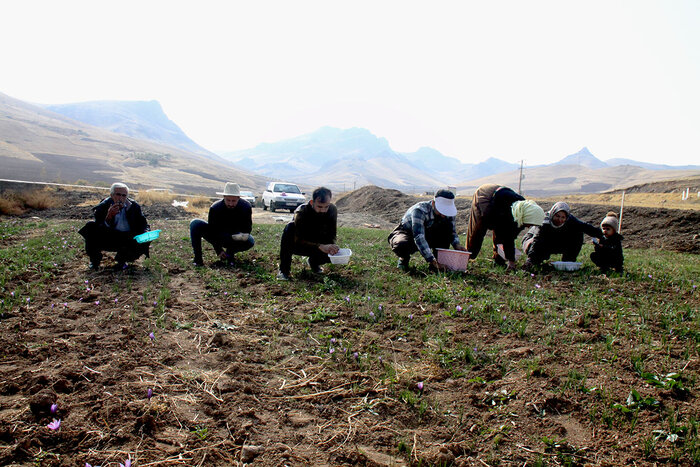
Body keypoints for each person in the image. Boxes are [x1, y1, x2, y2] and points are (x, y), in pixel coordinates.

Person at [465, 184, 545, 271]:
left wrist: (510, 260)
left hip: (500, 201)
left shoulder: (522, 211)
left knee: (502, 232)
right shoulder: (507, 213)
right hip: (486, 195)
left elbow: (511, 235)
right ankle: (466, 257)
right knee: (479, 230)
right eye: (529, 223)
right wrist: (511, 261)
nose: (529, 226)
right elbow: (508, 238)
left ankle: (498, 260)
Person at [388, 188, 466, 271]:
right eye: (441, 211)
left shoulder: (449, 213)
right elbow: (419, 236)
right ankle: (403, 259)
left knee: (446, 229)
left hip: (429, 233)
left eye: (446, 212)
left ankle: (438, 263)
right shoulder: (419, 210)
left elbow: (452, 231)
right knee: (401, 244)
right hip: (408, 233)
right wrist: (431, 260)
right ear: (433, 203)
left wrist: (457, 245)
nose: (443, 215)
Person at [78, 182, 150, 270]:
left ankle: (123, 260)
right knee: (90, 227)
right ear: (112, 195)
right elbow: (99, 225)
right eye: (118, 194)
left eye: (124, 195)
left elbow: (143, 224)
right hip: (109, 236)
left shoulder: (134, 207)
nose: (121, 198)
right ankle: (94, 261)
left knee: (146, 234)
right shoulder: (103, 206)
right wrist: (109, 217)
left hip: (128, 238)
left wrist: (146, 234)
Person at [276, 187, 339, 280]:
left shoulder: (332, 210)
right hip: (300, 244)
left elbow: (331, 233)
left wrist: (331, 247)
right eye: (319, 207)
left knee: (332, 252)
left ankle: (314, 262)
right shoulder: (301, 212)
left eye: (326, 206)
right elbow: (298, 239)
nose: (323, 210)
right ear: (312, 203)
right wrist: (319, 246)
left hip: (319, 243)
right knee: (290, 227)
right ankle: (284, 270)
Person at [521, 201, 604, 270]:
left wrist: (603, 236)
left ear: (566, 217)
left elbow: (586, 228)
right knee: (537, 249)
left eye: (563, 217)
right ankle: (535, 260)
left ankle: (568, 261)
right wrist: (530, 260)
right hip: (534, 240)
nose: (560, 220)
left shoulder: (571, 220)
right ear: (553, 214)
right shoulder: (544, 222)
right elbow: (537, 241)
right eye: (557, 216)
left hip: (554, 241)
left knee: (578, 232)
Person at [189, 182, 255, 267]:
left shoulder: (246, 207)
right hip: (218, 236)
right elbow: (212, 231)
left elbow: (247, 229)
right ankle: (198, 259)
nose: (231, 204)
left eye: (234, 201)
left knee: (250, 240)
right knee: (195, 224)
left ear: (238, 198)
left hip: (236, 237)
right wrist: (218, 250)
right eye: (228, 200)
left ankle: (230, 254)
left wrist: (230, 250)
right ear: (224, 197)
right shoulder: (215, 208)